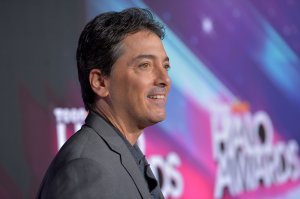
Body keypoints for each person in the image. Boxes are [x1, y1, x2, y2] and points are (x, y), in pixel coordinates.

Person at [37, 7, 171, 199]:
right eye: (145, 65)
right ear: (100, 82)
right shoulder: (85, 169)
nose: (164, 79)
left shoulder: (124, 154)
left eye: (166, 66)